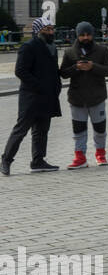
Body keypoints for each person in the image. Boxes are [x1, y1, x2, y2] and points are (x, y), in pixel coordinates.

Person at [2, 19, 63, 174]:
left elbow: (54, 70)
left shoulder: (52, 47)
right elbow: (20, 71)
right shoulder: (28, 47)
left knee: (41, 131)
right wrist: (39, 85)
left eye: (51, 29)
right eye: (47, 29)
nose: (50, 32)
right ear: (38, 31)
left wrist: (57, 86)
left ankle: (38, 161)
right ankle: (6, 160)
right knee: (21, 130)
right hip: (30, 97)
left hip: (47, 97)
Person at [59, 21, 108, 169]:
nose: (85, 37)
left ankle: (100, 154)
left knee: (99, 128)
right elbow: (63, 73)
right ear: (77, 36)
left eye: (88, 34)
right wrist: (75, 68)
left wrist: (93, 67)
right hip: (77, 98)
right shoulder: (70, 52)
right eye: (82, 35)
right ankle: (80, 157)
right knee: (78, 129)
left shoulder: (102, 50)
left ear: (92, 35)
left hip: (97, 97)